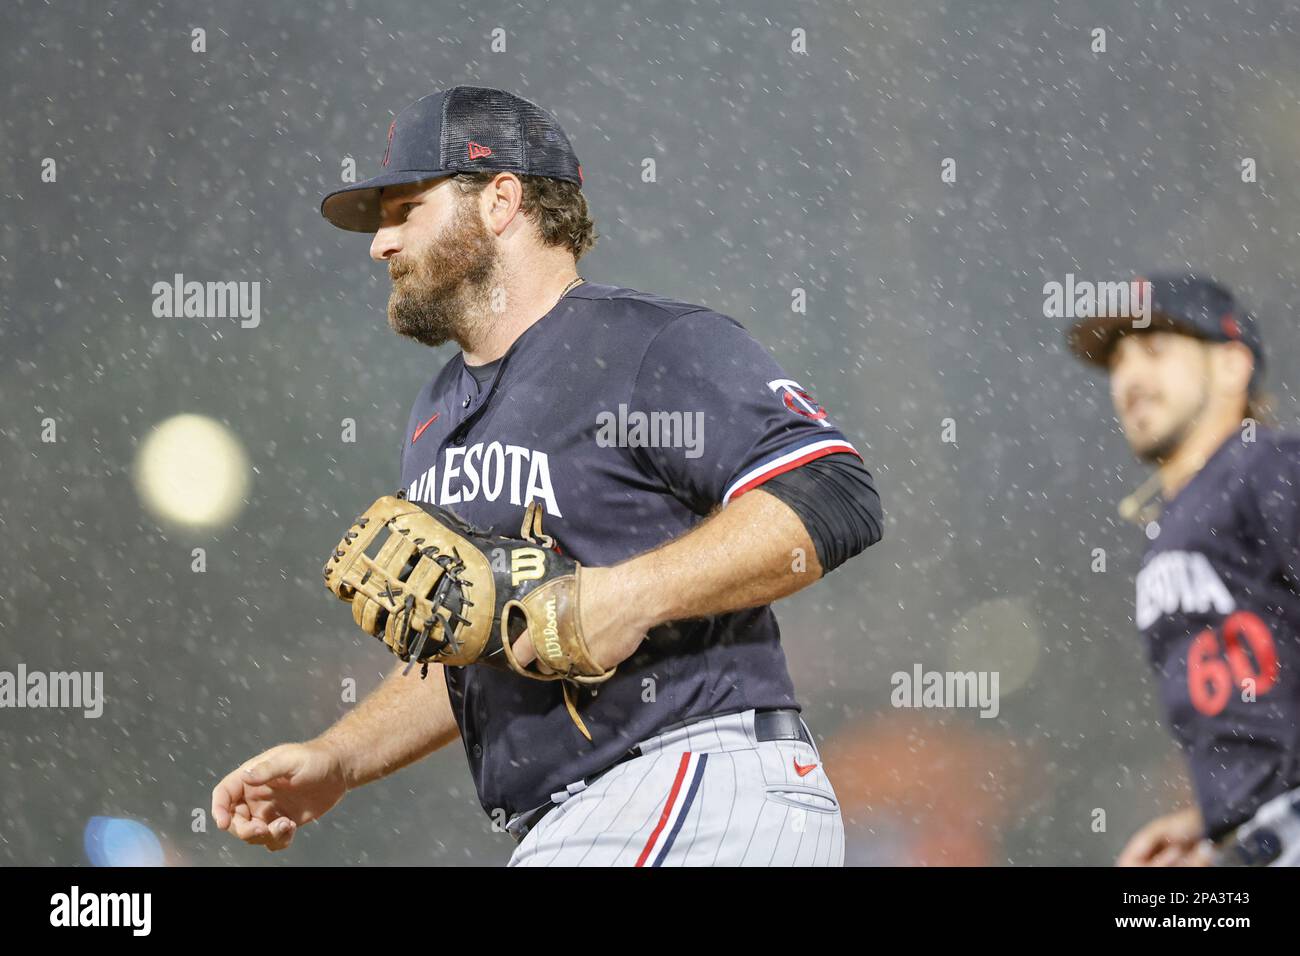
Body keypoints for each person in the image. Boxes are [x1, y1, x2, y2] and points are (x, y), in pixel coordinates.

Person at [211, 86, 883, 866]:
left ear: (500, 200)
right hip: (589, 815)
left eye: (404, 209)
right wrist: (342, 758)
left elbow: (834, 491)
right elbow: (489, 644)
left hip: (694, 777)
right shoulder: (435, 419)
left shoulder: (646, 344)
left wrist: (625, 596)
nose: (379, 244)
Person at [1066, 273, 1300, 866]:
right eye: (1117, 361)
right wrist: (1217, 822)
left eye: (1156, 350)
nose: (1129, 379)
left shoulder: (1268, 468)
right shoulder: (1173, 519)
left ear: (1231, 366)